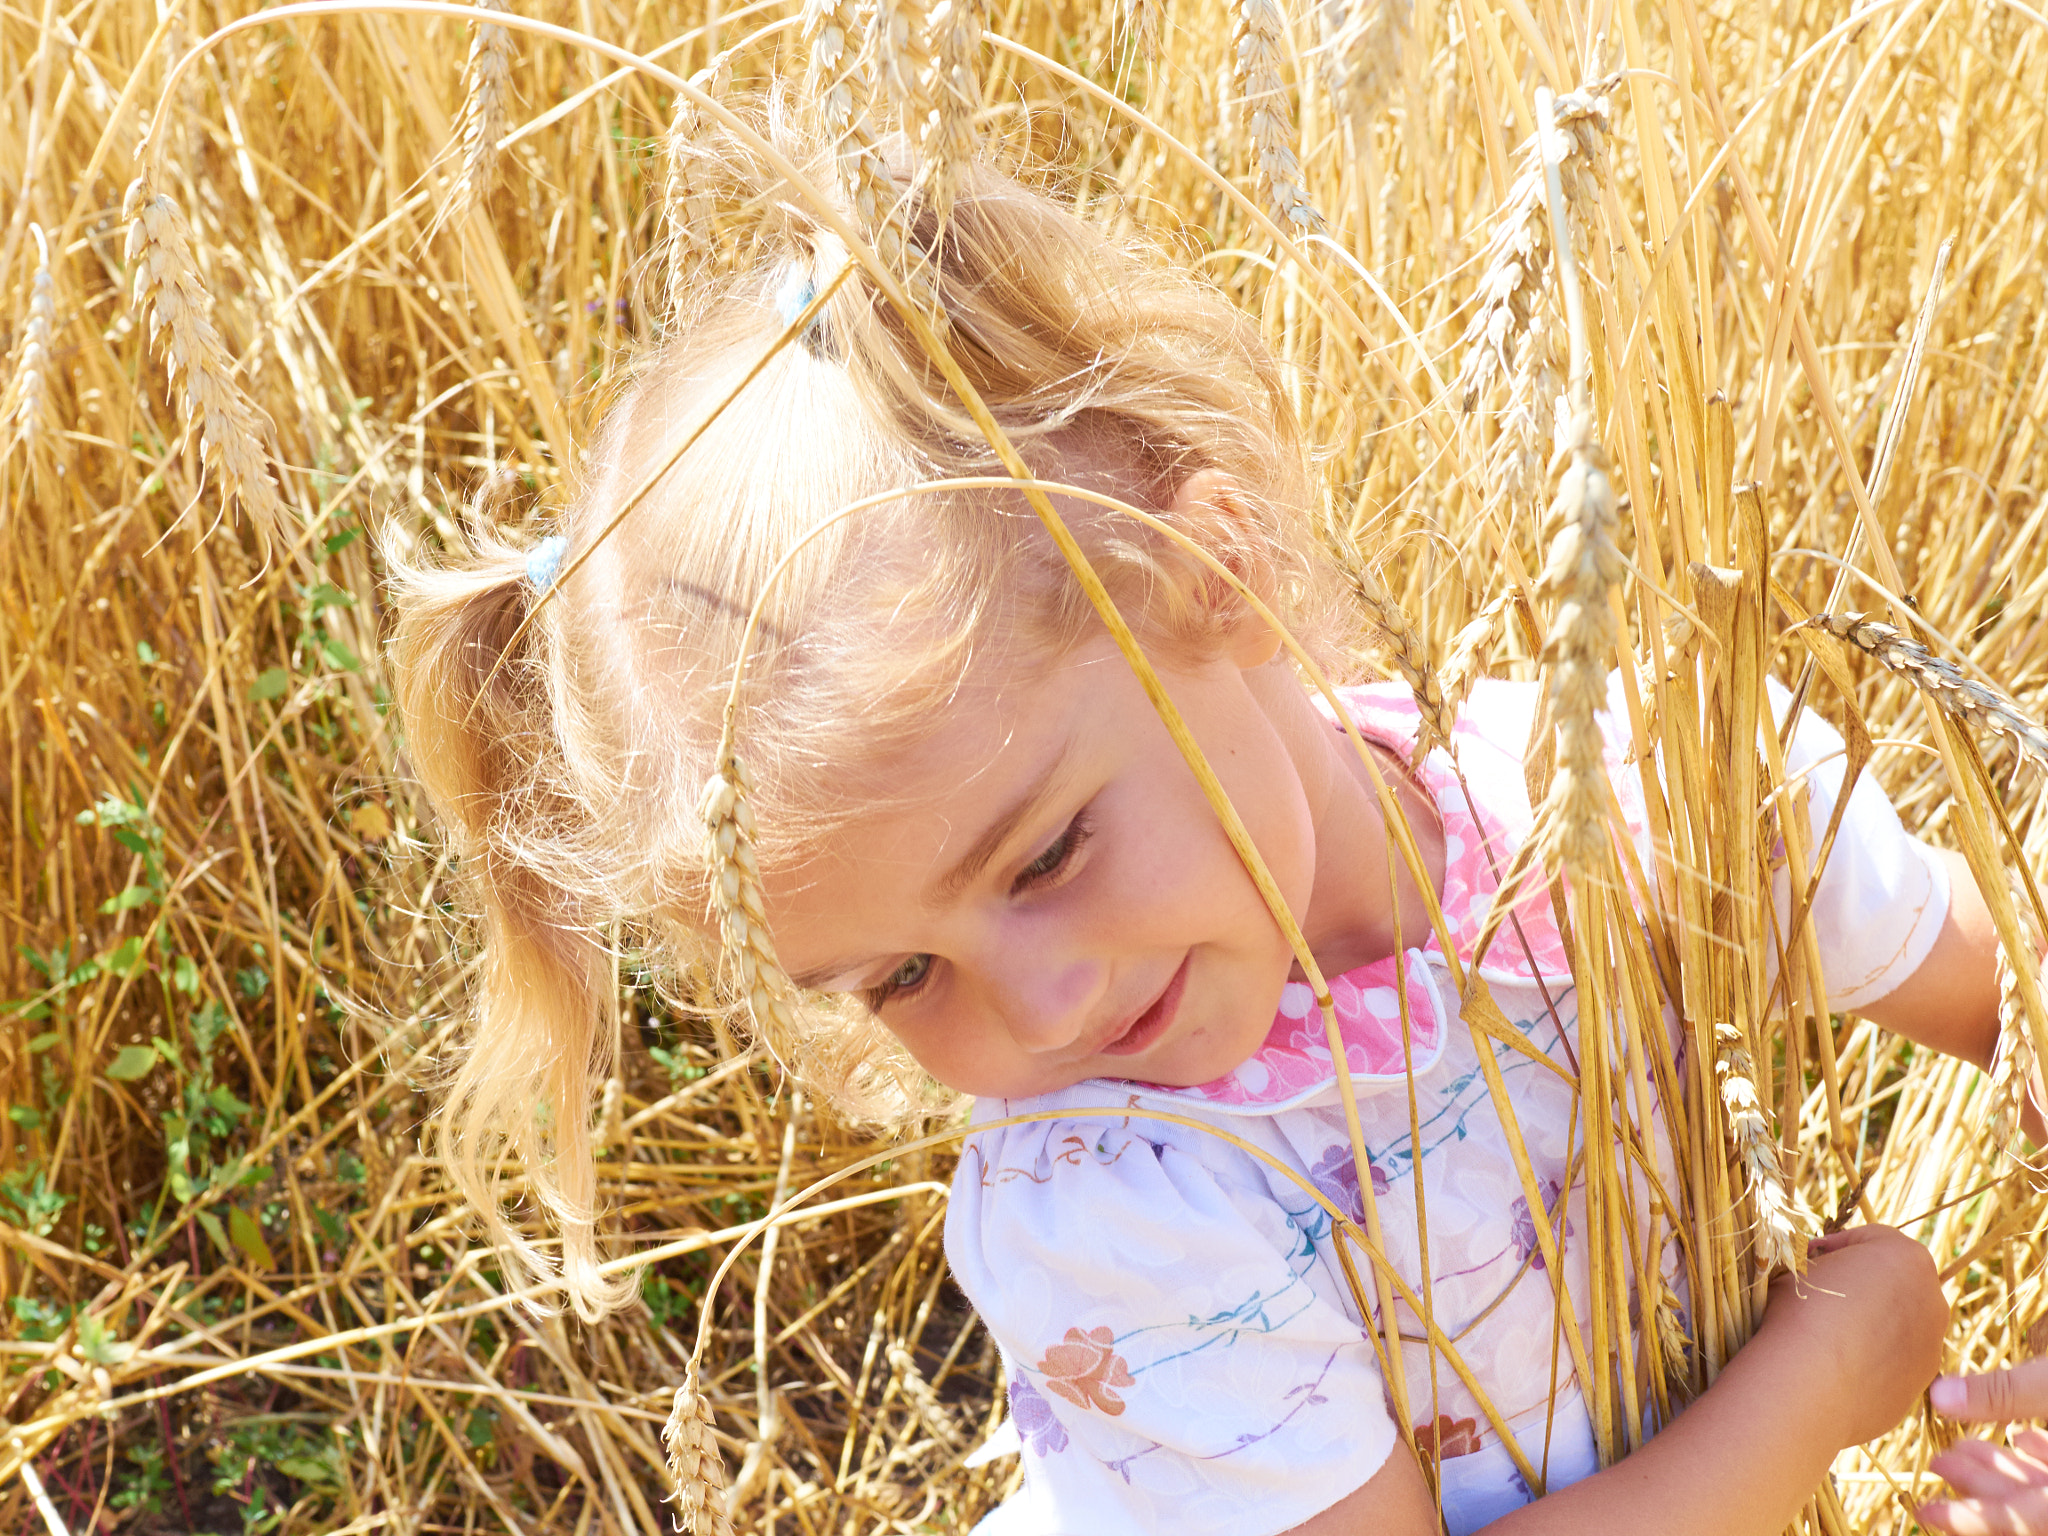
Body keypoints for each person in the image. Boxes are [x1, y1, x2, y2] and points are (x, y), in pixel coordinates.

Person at [387, 110, 1993, 1535]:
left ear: (1210, 569)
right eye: (900, 980)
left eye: (1044, 855)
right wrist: (1825, 1379)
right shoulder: (1123, 1200)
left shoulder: (1654, 804)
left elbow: (2015, 1009)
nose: (1042, 1009)